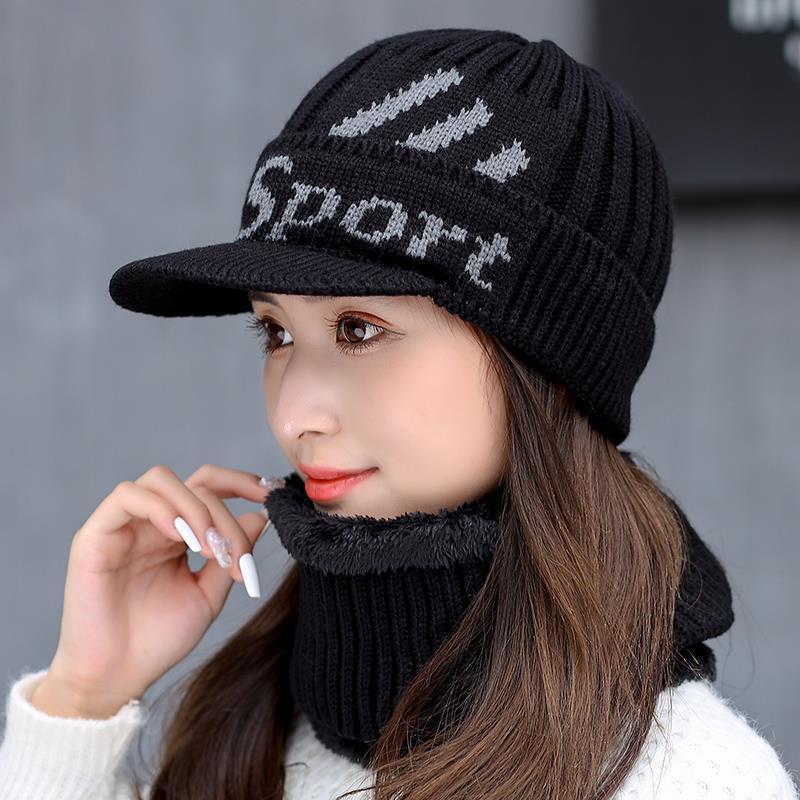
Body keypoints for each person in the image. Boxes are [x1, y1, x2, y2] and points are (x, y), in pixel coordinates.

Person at [1, 26, 797, 800]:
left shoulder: (687, 780)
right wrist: (82, 698)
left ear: (550, 369)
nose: (295, 416)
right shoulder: (237, 729)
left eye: (359, 330)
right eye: (275, 331)